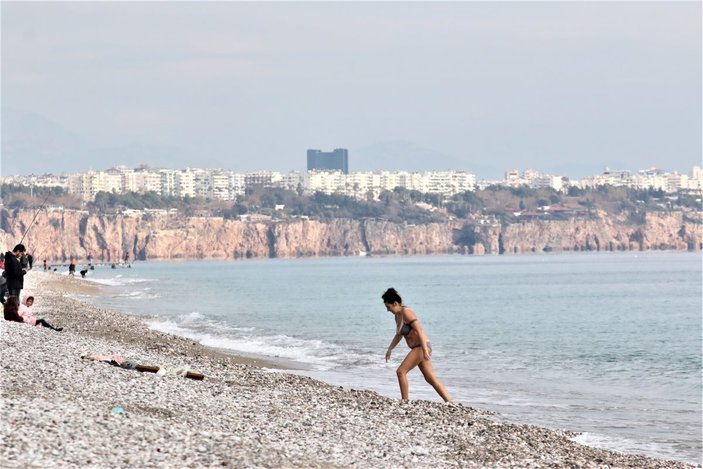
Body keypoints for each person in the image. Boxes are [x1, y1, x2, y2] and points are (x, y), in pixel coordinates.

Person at [382, 287, 451, 403]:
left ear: (395, 303)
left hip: (421, 347)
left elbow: (419, 330)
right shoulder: (397, 316)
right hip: (418, 348)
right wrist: (390, 349)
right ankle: (450, 402)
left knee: (401, 372)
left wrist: (424, 349)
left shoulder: (406, 312)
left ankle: (405, 402)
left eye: (388, 307)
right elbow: (399, 335)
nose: (387, 310)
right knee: (431, 379)